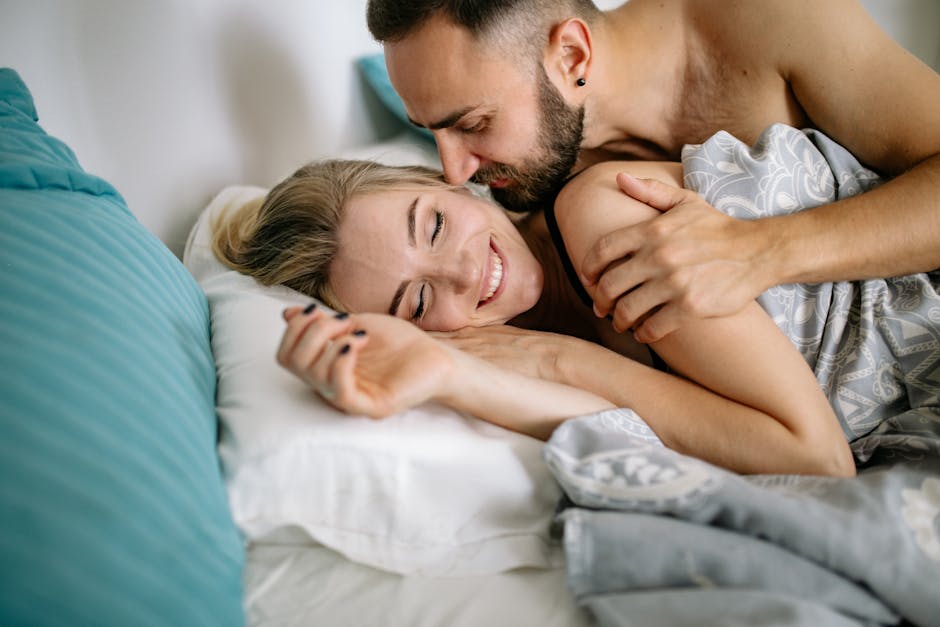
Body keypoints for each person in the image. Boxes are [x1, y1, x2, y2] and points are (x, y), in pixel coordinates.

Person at [212, 155, 856, 478]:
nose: (464, 272)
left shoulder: (600, 219)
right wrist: (448, 373)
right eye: (418, 301)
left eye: (434, 225)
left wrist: (561, 359)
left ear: (446, 181)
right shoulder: (508, 353)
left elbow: (818, 461)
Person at [364, 0, 940, 343]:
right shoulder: (541, 194)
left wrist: (761, 251)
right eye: (430, 132)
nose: (453, 171)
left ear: (571, 57)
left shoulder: (770, 18)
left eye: (473, 124)